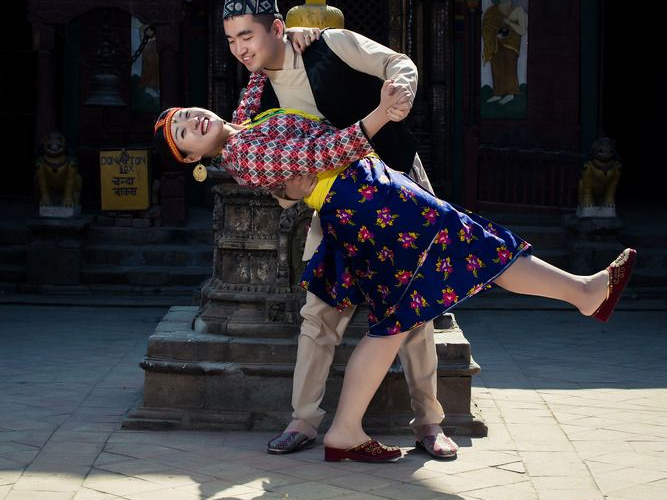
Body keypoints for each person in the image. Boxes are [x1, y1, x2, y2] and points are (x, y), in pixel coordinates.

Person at [154, 91, 636, 464]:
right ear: (193, 159)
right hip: (363, 195)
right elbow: (324, 152)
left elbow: (252, 86)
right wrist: (381, 113)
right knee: (466, 243)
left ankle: (346, 430)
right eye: (184, 133)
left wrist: (283, 38)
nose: (192, 121)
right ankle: (583, 292)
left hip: (362, 195)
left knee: (401, 309)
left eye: (187, 114)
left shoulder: (242, 129)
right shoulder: (244, 154)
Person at [221, 0, 453, 460]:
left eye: (247, 35)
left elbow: (398, 63)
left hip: (396, 186)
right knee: (319, 313)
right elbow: (280, 187)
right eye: (231, 40)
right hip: (336, 207)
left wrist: (400, 94)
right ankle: (303, 419)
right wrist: (291, 189)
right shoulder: (256, 102)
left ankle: (429, 422)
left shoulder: (328, 45)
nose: (240, 49)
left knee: (415, 307)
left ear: (277, 28)